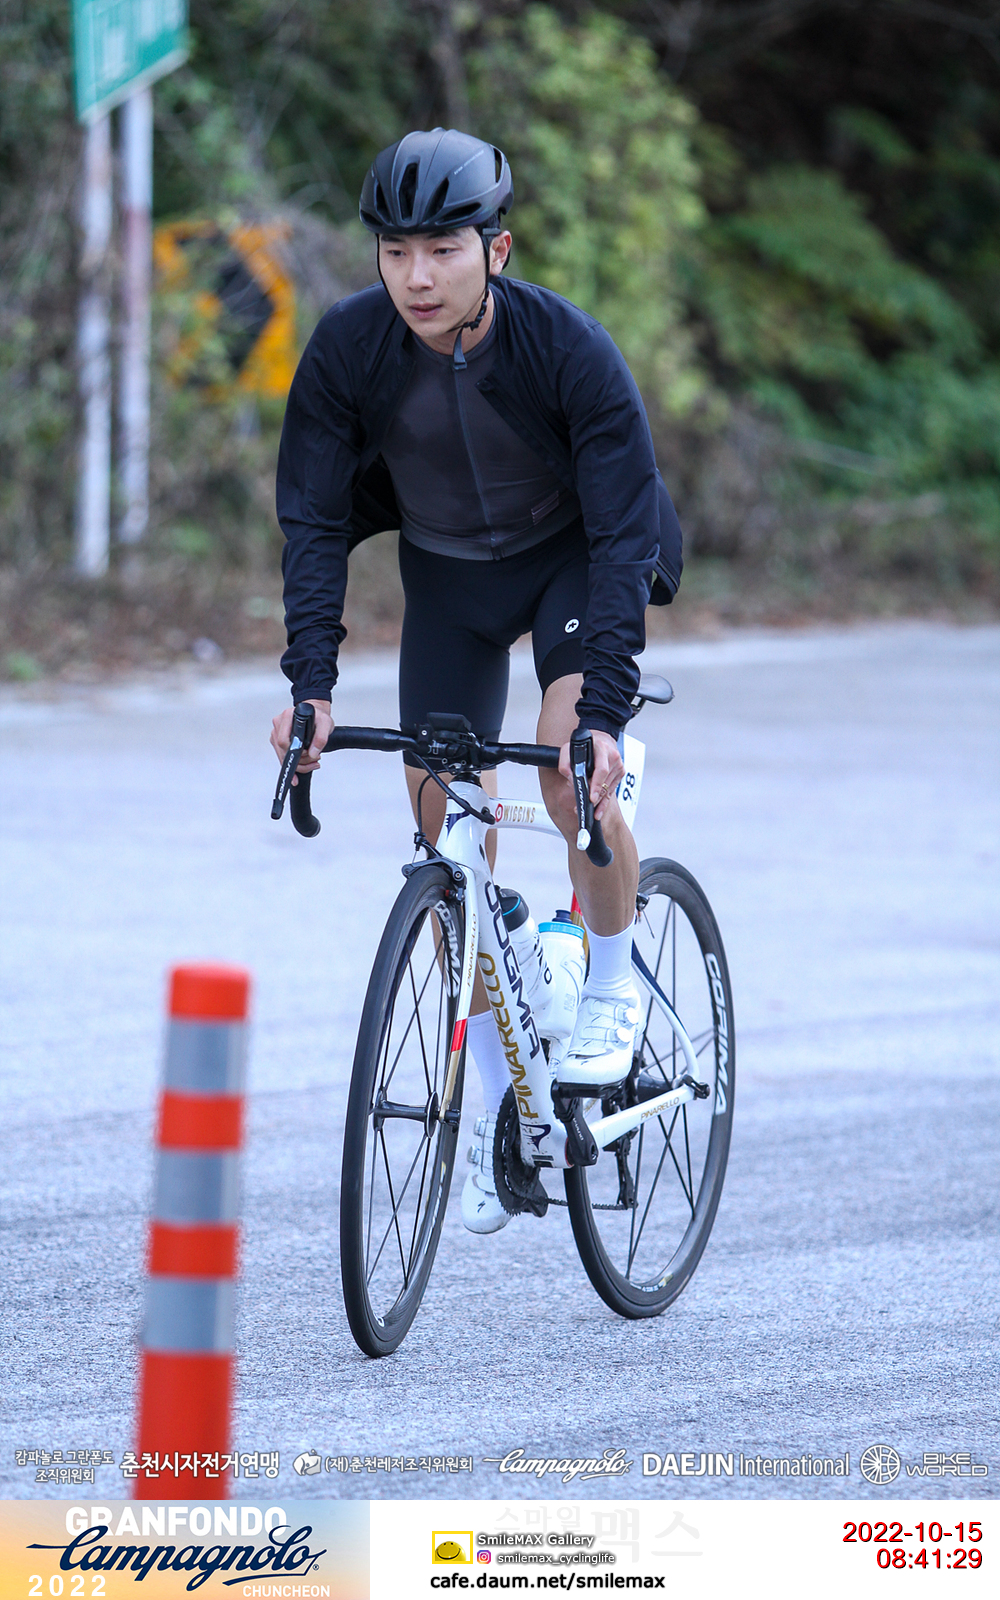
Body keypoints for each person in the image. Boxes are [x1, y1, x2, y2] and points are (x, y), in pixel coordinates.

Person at [270, 127, 683, 1235]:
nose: (416, 277)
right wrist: (311, 685)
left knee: (564, 774)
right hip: (447, 577)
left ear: (496, 251)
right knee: (444, 825)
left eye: (443, 250)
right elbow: (313, 520)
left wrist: (603, 712)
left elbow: (622, 534)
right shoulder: (351, 349)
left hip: (571, 560)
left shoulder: (567, 349)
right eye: (395, 251)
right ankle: (501, 1099)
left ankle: (611, 981)